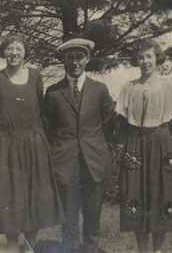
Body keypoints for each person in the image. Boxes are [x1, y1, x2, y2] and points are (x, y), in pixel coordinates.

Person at [0, 35, 64, 253]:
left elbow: (41, 111)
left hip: (34, 143)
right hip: (7, 146)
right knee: (10, 195)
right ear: (3, 53)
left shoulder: (36, 76)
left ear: (25, 52)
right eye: (9, 49)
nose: (14, 53)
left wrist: (43, 140)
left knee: (34, 195)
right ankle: (12, 247)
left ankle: (29, 247)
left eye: (18, 49)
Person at [43, 38, 116, 253]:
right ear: (64, 61)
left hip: (94, 162)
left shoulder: (99, 90)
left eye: (79, 57)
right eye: (70, 58)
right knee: (69, 222)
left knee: (93, 221)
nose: (75, 62)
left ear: (87, 59)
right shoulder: (53, 92)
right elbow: (47, 128)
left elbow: (109, 124)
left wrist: (99, 147)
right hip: (65, 164)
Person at [115, 38, 172, 253]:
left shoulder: (168, 86)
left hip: (162, 145)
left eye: (149, 56)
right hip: (135, 144)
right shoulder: (129, 88)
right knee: (136, 194)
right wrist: (125, 145)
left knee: (161, 194)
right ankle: (143, 249)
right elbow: (121, 123)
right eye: (141, 57)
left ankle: (158, 250)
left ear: (157, 59)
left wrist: (167, 142)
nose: (145, 61)